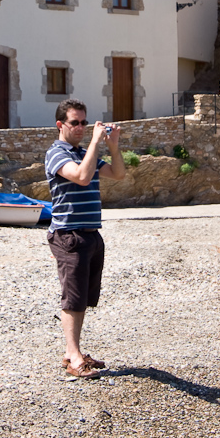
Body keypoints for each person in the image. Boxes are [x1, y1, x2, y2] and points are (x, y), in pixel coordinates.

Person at [45, 98, 126, 380]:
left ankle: (73, 351)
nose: (81, 127)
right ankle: (73, 356)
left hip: (91, 234)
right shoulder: (57, 154)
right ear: (61, 125)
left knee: (84, 297)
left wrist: (113, 145)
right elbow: (80, 177)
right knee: (73, 298)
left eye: (84, 122)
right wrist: (94, 142)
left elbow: (118, 173)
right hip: (69, 235)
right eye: (75, 123)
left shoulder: (85, 153)